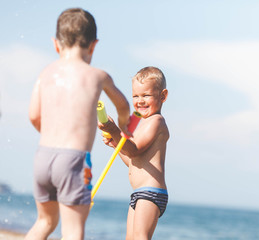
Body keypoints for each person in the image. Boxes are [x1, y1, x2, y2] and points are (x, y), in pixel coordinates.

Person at [26, 8, 130, 240]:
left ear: (56, 44)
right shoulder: (98, 76)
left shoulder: (46, 73)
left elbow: (34, 115)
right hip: (72, 160)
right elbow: (123, 106)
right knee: (72, 230)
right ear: (93, 45)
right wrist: (124, 126)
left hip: (43, 157)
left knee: (45, 222)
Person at [98, 66, 169, 240]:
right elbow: (132, 159)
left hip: (151, 192)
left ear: (163, 96)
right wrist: (116, 145)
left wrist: (113, 129)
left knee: (140, 237)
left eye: (146, 95)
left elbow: (135, 150)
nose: (140, 101)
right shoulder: (142, 124)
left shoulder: (156, 121)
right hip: (138, 193)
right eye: (136, 96)